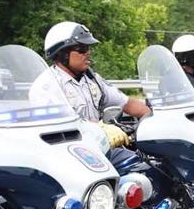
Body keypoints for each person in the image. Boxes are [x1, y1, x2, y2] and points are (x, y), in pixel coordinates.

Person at [33, 21, 149, 153]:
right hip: (68, 154)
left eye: (88, 48)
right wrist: (99, 128)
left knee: (141, 165)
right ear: (62, 53)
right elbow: (61, 126)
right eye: (81, 49)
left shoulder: (92, 79)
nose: (88, 53)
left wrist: (152, 117)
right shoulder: (46, 86)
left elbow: (127, 103)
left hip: (98, 150)